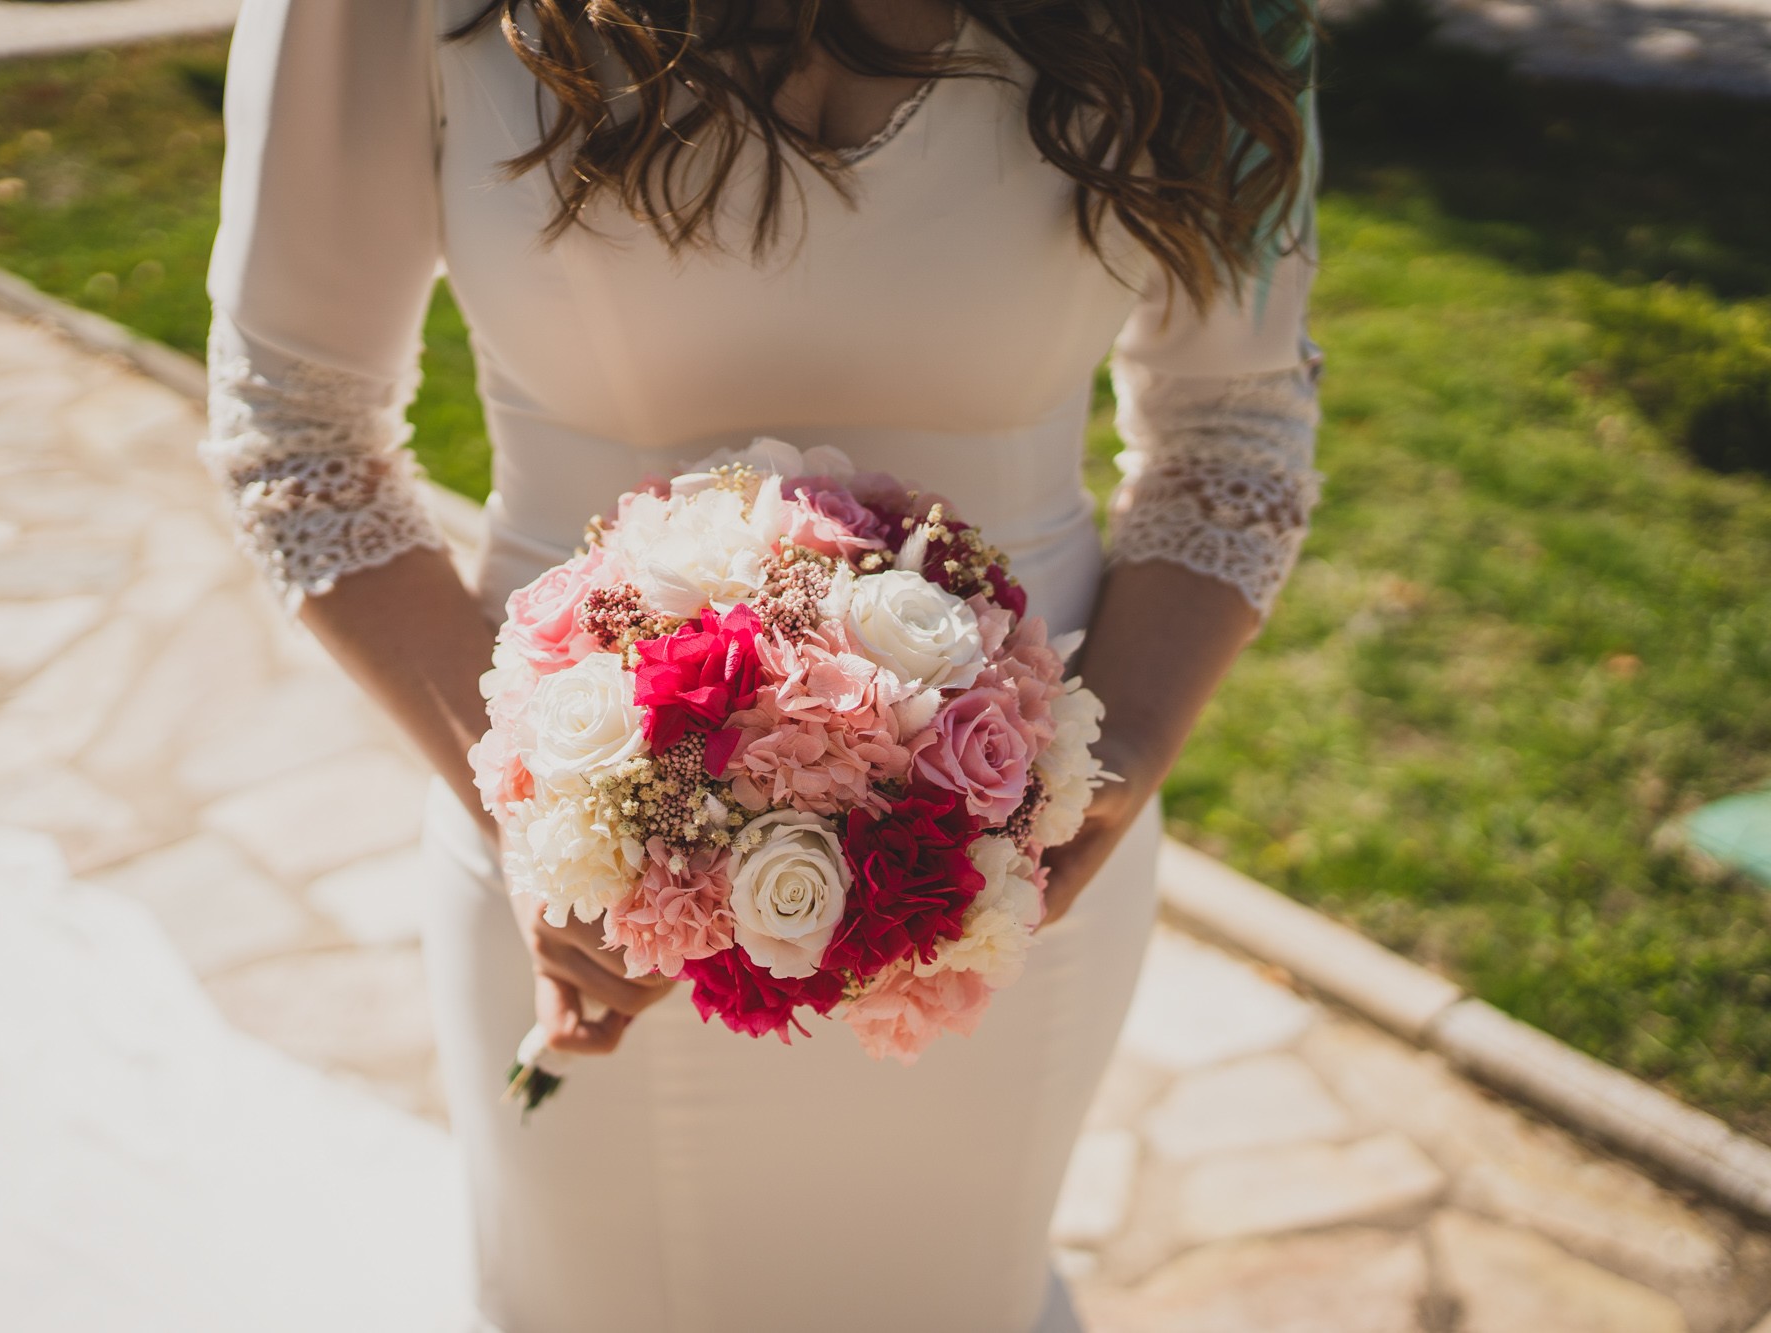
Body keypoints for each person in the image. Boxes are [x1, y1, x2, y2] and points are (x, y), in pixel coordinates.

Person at [200, 0, 1322, 1324]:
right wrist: (537, 820)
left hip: (1020, 890)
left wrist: (1109, 766)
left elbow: (1233, 426)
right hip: (577, 898)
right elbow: (299, 431)